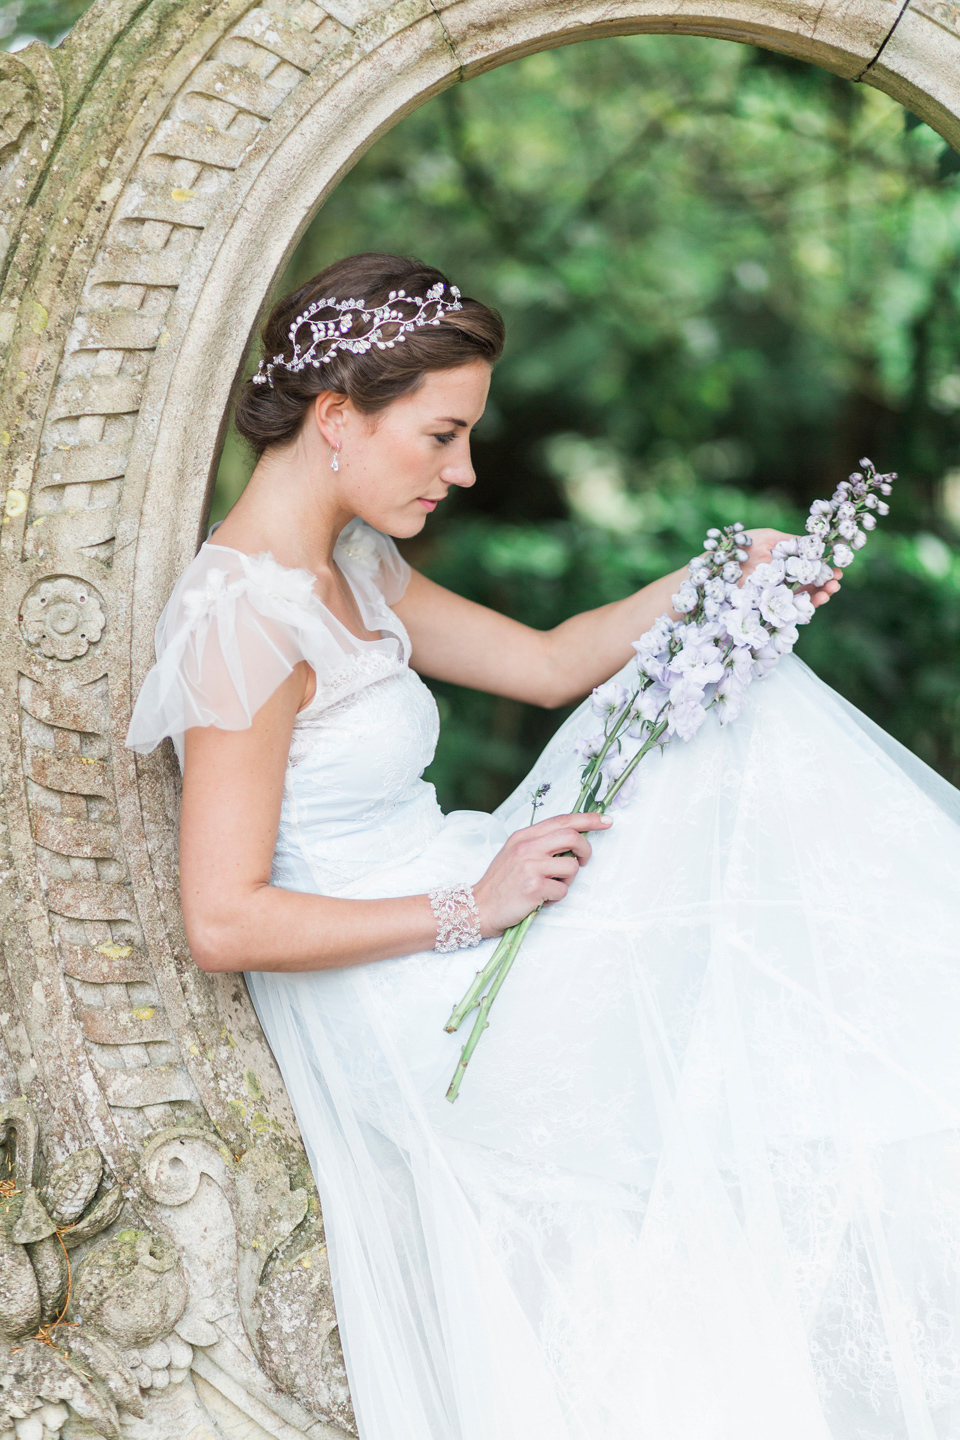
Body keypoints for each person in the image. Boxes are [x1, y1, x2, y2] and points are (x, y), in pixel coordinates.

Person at [127, 252, 960, 1440]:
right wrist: (474, 906)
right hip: (398, 989)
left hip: (464, 896)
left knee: (725, 712)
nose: (463, 470)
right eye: (442, 434)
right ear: (333, 418)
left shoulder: (351, 564)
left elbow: (550, 661)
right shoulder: (245, 618)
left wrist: (720, 579)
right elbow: (224, 919)